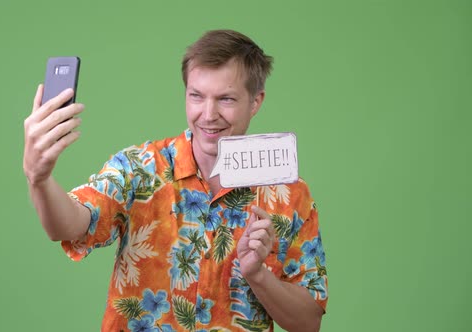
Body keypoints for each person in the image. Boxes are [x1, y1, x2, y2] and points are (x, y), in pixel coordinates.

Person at [23, 29, 328, 332]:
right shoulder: (139, 167)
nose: (208, 114)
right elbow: (72, 224)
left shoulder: (289, 194)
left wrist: (258, 274)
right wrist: (39, 179)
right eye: (197, 96)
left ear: (255, 101)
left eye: (226, 99)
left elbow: (308, 323)